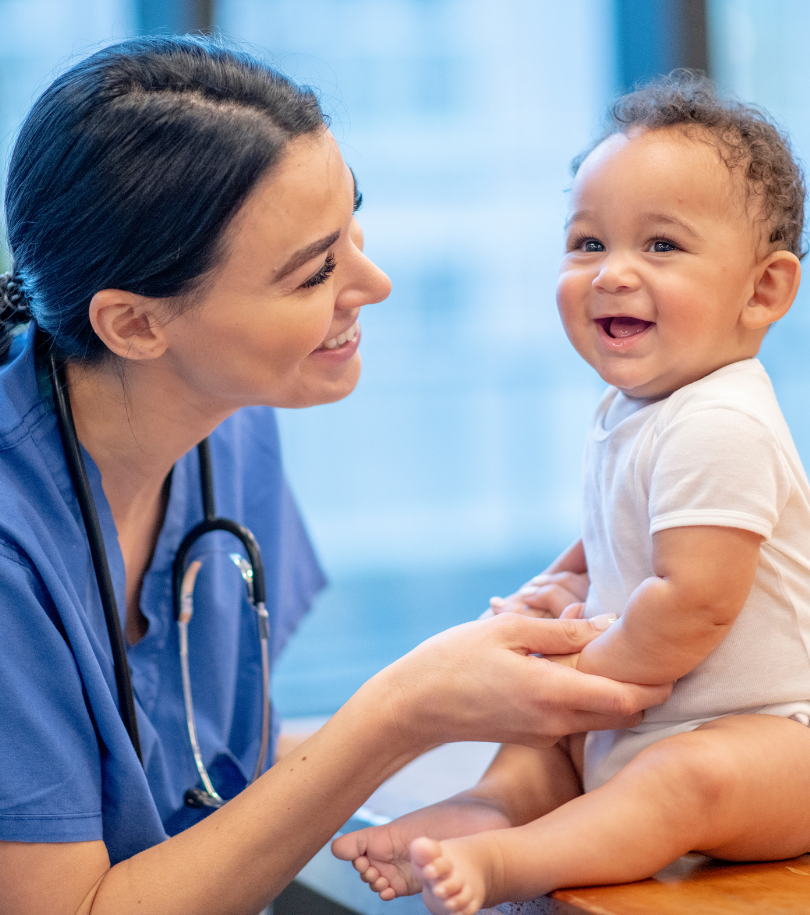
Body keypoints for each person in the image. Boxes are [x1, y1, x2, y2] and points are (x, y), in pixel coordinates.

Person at [0, 37, 671, 915]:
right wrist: (405, 707)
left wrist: (486, 743)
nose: (376, 281)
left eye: (354, 227)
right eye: (316, 270)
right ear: (132, 324)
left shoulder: (229, 435)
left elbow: (217, 760)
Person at [333, 74, 810, 915]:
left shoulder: (721, 420)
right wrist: (566, 581)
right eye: (588, 244)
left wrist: (575, 676)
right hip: (650, 708)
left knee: (677, 776)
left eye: (661, 247)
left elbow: (694, 602)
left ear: (763, 290)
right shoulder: (632, 408)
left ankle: (510, 858)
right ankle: (476, 815)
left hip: (772, 740)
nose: (612, 274)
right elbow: (618, 530)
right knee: (540, 749)